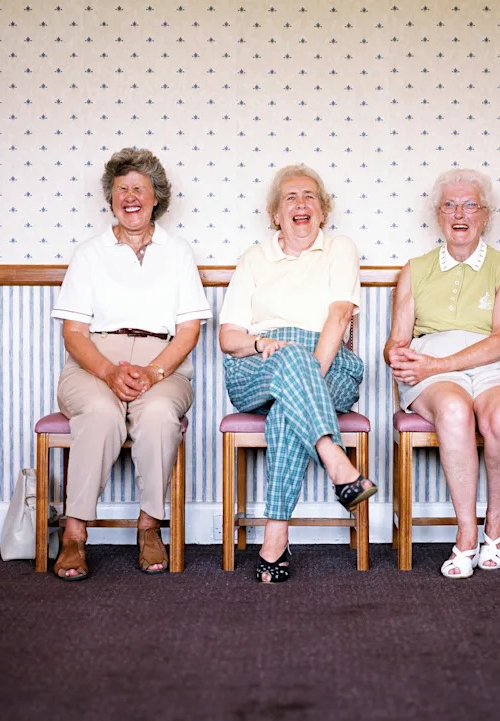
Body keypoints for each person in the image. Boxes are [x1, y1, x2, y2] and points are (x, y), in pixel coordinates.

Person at [49, 148, 212, 581]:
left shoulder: (178, 252)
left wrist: (155, 372)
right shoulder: (89, 253)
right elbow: (73, 334)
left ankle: (150, 527)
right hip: (94, 362)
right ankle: (73, 535)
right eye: (122, 189)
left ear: (156, 197)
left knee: (158, 413)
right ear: (111, 199)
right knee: (100, 412)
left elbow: (189, 330)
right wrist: (108, 372)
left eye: (140, 188)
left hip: (163, 362)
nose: (131, 197)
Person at [218, 163, 377, 583]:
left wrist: (305, 375)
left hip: (329, 364)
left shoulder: (340, 248)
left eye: (310, 197)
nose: (301, 204)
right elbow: (228, 337)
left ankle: (275, 536)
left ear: (323, 211)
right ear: (275, 214)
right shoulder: (254, 258)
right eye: (290, 198)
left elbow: (339, 316)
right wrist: (261, 345)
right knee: (291, 365)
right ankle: (337, 464)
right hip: (258, 366)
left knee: (288, 406)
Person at [384, 169, 500, 579]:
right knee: (453, 411)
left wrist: (440, 364)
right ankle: (466, 535)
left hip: (494, 365)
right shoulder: (415, 269)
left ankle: (495, 527)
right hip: (431, 369)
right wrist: (395, 355)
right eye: (450, 205)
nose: (459, 214)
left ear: (486, 215)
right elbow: (397, 338)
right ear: (438, 214)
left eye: (470, 205)